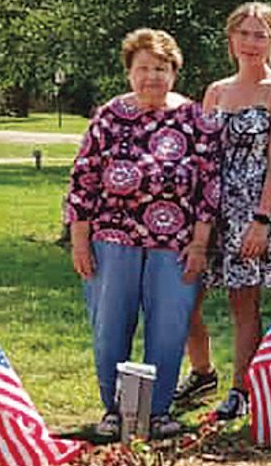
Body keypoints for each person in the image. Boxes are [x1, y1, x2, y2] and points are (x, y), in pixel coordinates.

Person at [64, 28, 219, 438]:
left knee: (168, 326)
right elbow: (83, 179)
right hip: (112, 239)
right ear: (130, 72)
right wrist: (79, 239)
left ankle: (157, 411)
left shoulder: (195, 118)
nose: (153, 76)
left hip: (176, 245)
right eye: (144, 68)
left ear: (175, 72)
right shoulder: (109, 117)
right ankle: (115, 410)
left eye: (161, 68)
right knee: (110, 325)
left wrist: (200, 244)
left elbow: (209, 186)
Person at [180, 2, 271, 419]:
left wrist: (262, 221)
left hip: (251, 211)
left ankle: (241, 389)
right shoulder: (216, 91)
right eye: (244, 34)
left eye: (260, 35)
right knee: (185, 295)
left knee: (242, 302)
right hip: (209, 210)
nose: (251, 43)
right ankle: (202, 371)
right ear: (231, 38)